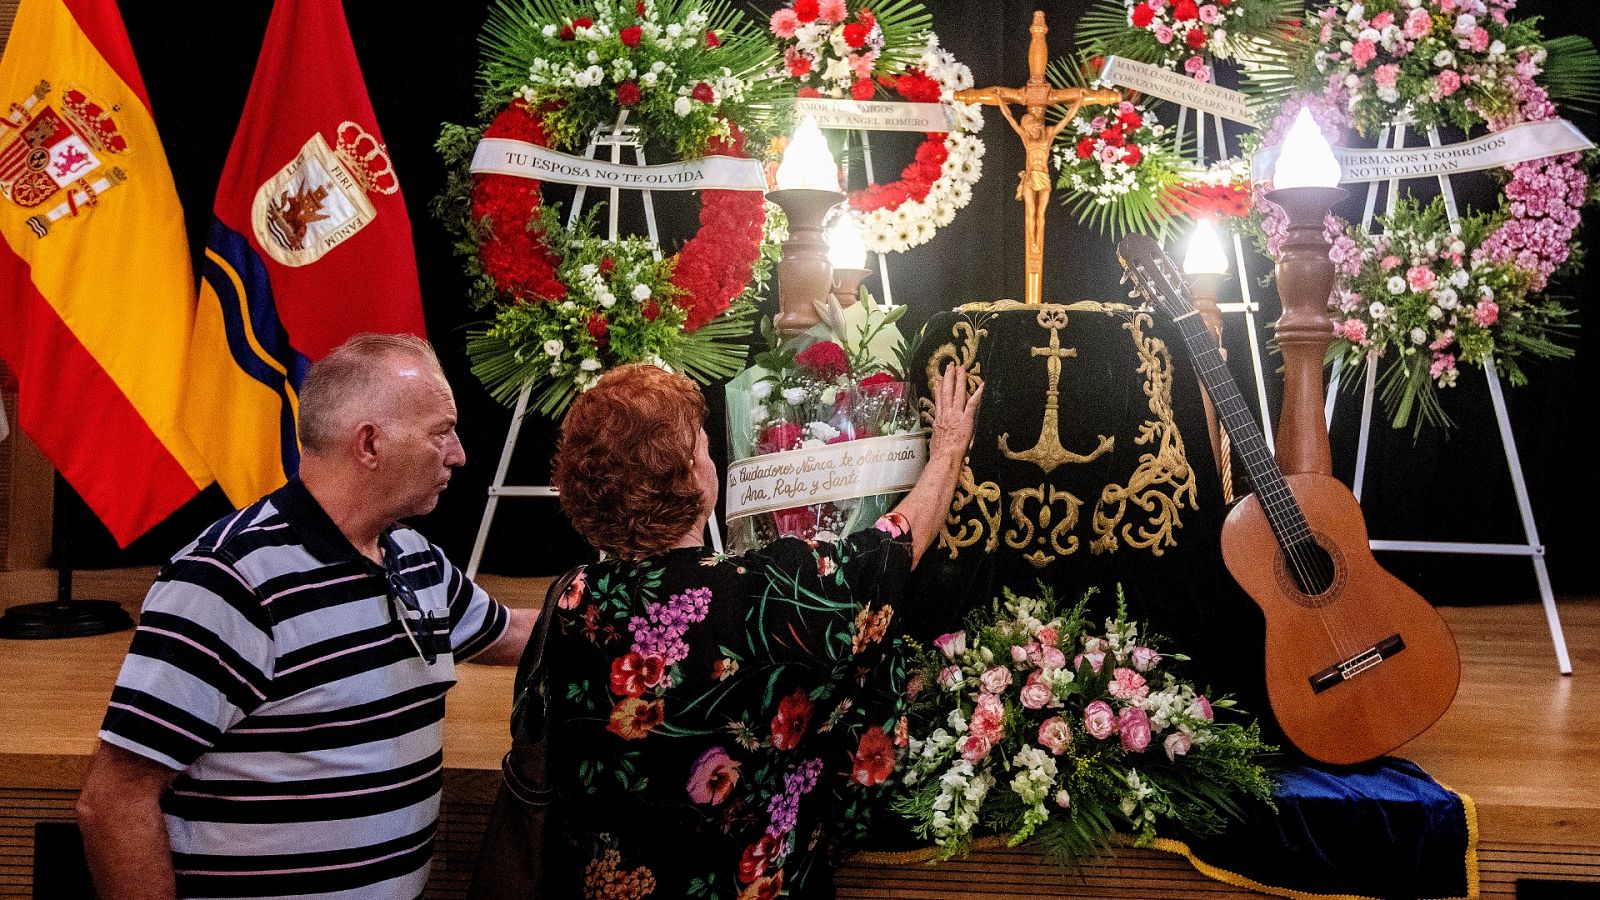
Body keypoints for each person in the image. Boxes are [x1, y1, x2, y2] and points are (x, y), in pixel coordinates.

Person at [76, 333, 537, 899]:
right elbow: (115, 800)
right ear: (369, 444)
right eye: (441, 431)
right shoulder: (229, 579)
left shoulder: (412, 557)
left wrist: (654, 612)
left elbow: (512, 631)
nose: (459, 453)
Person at [541, 360, 982, 898]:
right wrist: (950, 448)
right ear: (686, 473)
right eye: (704, 447)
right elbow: (894, 547)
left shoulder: (571, 597)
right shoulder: (763, 592)